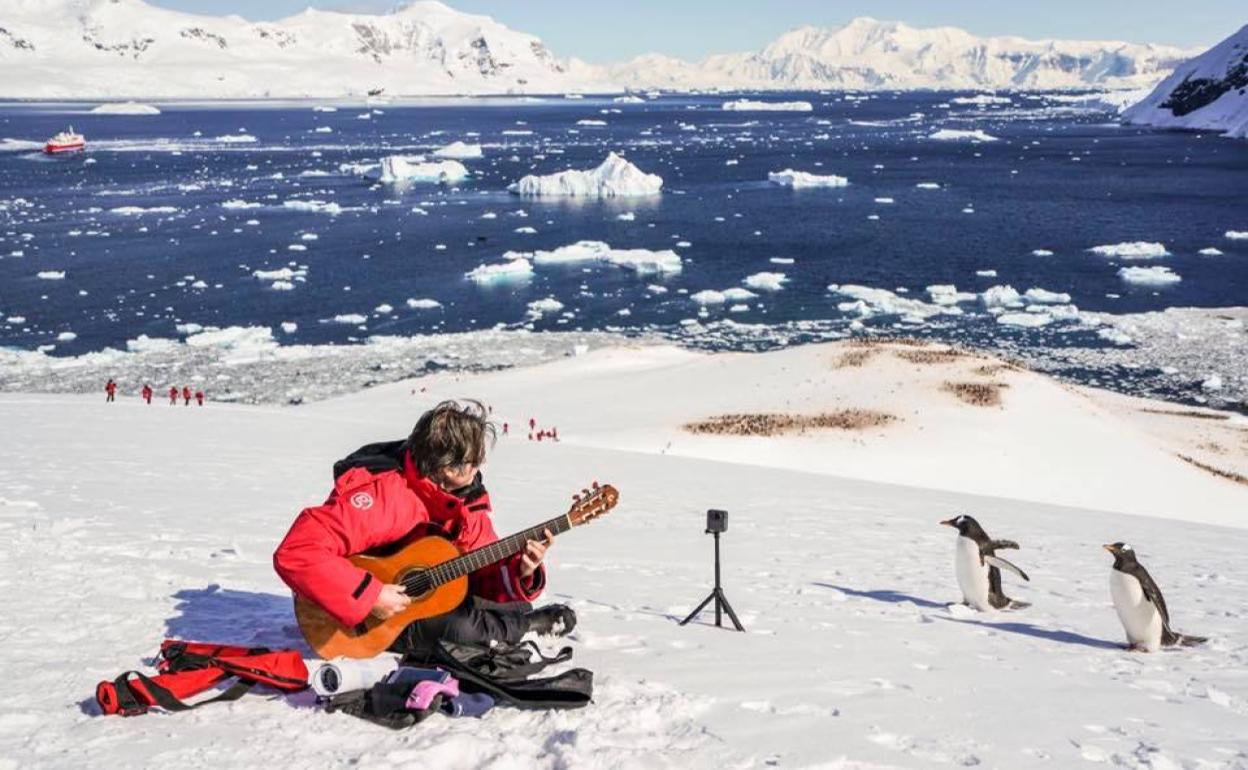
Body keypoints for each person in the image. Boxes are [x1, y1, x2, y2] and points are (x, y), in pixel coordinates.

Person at [273, 400, 575, 655]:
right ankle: (528, 626)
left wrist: (520, 570)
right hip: (355, 622)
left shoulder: (466, 500)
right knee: (461, 628)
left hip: (413, 606)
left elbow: (480, 567)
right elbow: (297, 551)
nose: (476, 469)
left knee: (488, 606)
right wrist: (370, 595)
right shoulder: (384, 496)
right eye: (469, 462)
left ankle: (518, 620)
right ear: (442, 465)